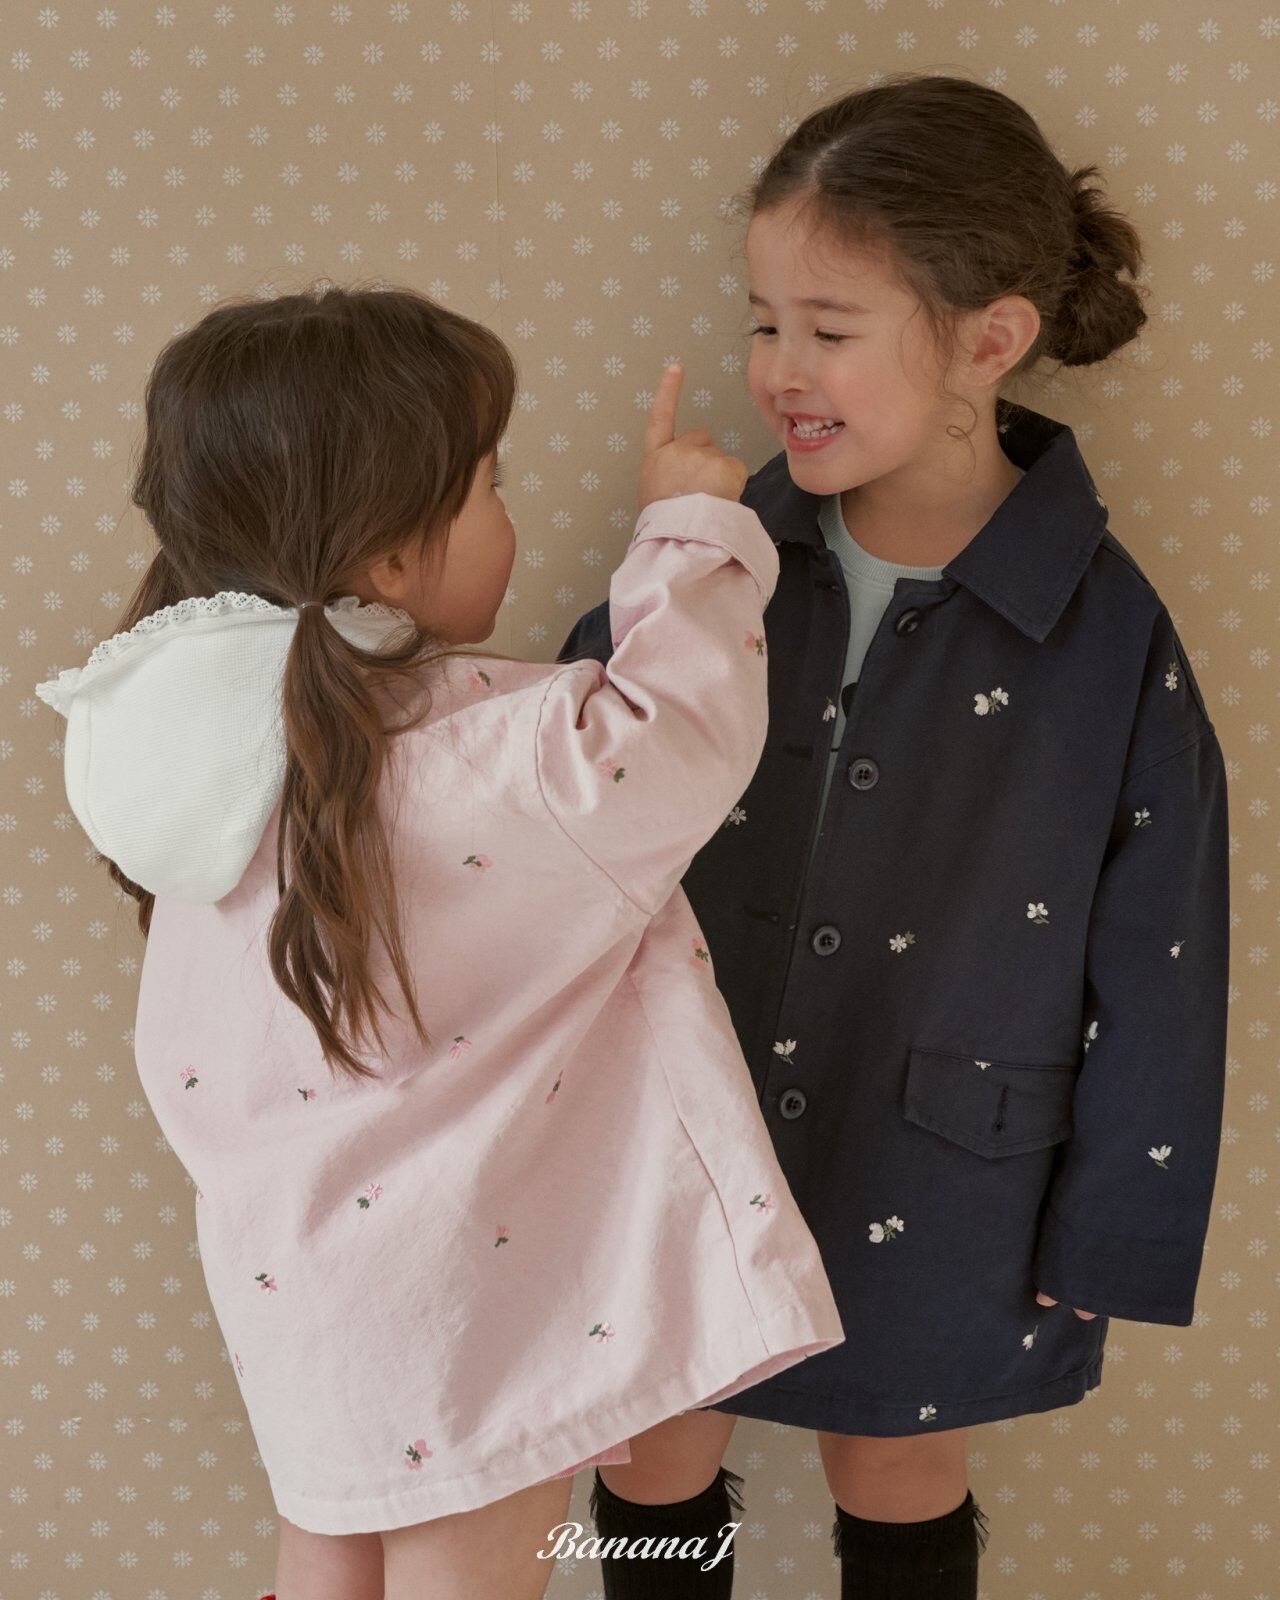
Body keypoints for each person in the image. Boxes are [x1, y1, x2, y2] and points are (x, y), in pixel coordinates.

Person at [33, 294, 847, 1600]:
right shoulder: (483, 755)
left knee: (328, 1558)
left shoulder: (196, 764)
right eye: (490, 485)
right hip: (467, 1305)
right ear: (390, 559)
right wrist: (689, 530)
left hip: (301, 1295)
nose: (508, 512)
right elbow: (680, 737)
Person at [558, 72, 1230, 1600]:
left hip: (949, 1159)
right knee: (650, 1449)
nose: (778, 370)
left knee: (902, 1464)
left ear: (990, 340)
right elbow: (568, 794)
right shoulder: (721, 556)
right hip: (684, 1121)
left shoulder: (1105, 631)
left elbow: (1166, 953)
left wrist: (1115, 1226)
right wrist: (674, 557)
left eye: (829, 328)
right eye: (763, 321)